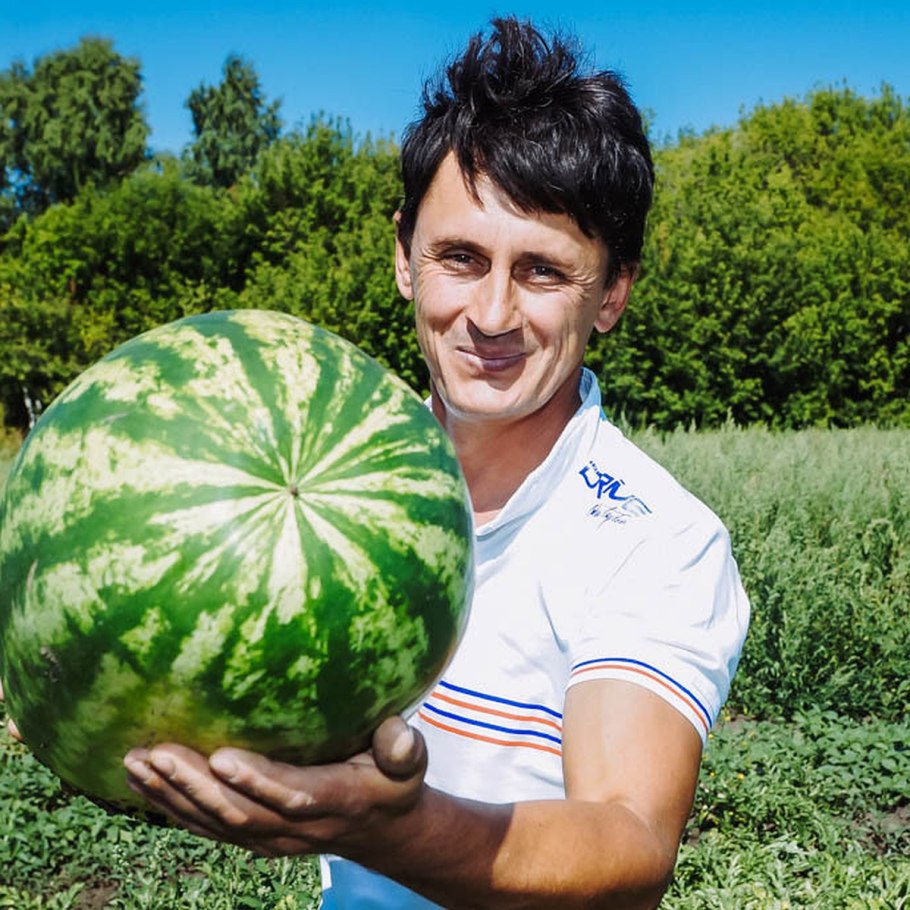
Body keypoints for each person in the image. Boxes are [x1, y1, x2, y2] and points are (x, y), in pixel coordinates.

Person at [7, 17, 750, 909]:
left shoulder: (656, 540)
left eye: (544, 272)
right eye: (460, 258)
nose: (492, 314)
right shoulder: (306, 451)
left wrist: (394, 831)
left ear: (613, 292)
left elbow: (629, 842)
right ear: (404, 257)